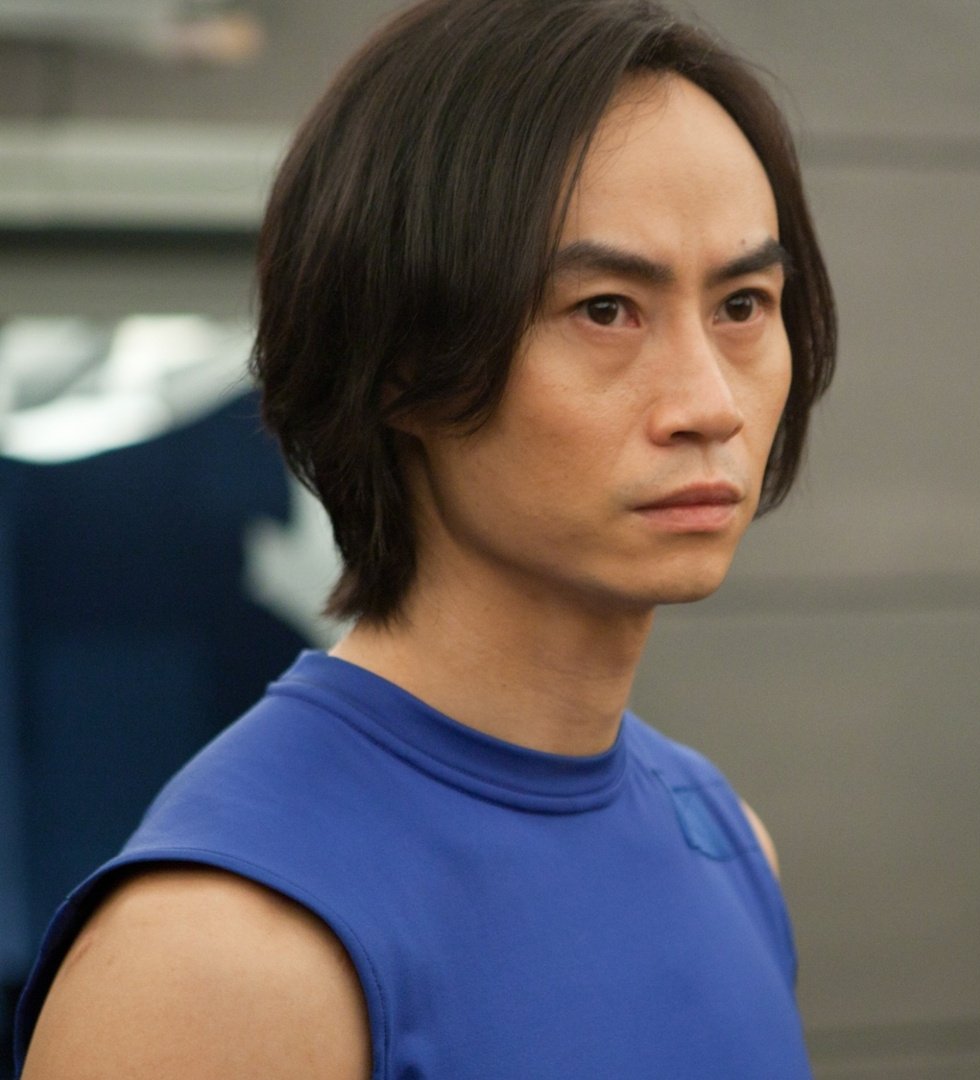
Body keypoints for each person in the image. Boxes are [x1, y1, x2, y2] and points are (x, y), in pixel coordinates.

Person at [12, 0, 834, 1076]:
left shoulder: (725, 841)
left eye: (743, 304)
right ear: (398, 361)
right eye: (605, 309)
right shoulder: (218, 952)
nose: (710, 403)